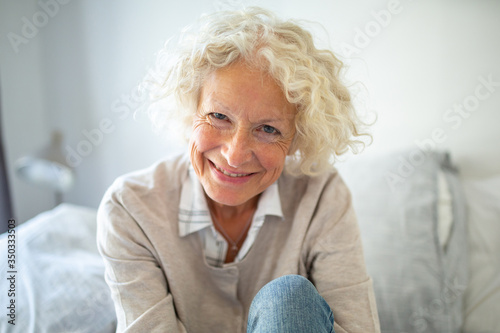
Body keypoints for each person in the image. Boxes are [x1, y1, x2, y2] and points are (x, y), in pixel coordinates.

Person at [97, 6, 380, 333]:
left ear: (297, 140)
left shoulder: (322, 195)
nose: (234, 155)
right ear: (192, 109)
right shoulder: (130, 208)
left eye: (268, 129)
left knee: (288, 300)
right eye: (219, 116)